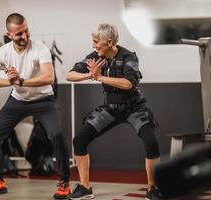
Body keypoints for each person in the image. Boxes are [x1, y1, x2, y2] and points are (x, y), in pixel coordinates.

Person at [0, 13, 70, 199]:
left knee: (57, 135)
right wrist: (10, 82)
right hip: (17, 101)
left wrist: (20, 81)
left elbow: (48, 78)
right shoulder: (4, 52)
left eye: (26, 31)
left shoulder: (40, 48)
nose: (25, 36)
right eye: (19, 34)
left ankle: (64, 183)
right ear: (9, 34)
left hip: (44, 101)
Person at [66, 23, 162, 200]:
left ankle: (153, 189)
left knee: (151, 142)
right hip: (110, 108)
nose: (94, 46)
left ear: (109, 42)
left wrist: (100, 77)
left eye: (96, 42)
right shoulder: (95, 57)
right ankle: (85, 188)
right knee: (79, 141)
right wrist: (89, 75)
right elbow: (69, 75)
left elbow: (128, 84)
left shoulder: (128, 57)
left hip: (134, 108)